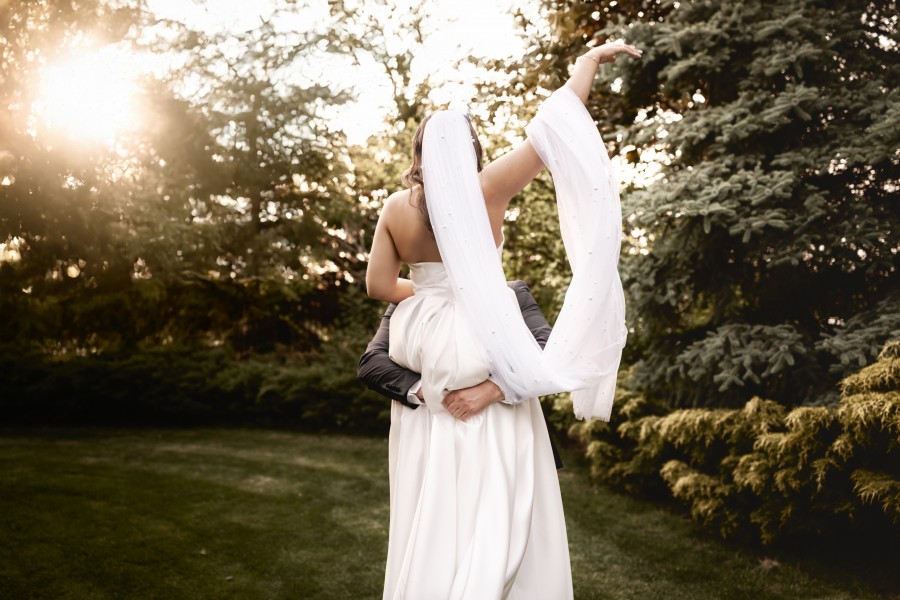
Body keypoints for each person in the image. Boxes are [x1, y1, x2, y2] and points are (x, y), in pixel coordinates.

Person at [365, 40, 641, 600]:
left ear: (419, 151)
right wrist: (585, 65)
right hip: (482, 335)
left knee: (430, 495)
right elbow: (550, 132)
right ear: (472, 149)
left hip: (427, 349)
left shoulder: (394, 208)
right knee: (499, 482)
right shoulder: (487, 189)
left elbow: (378, 287)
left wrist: (427, 292)